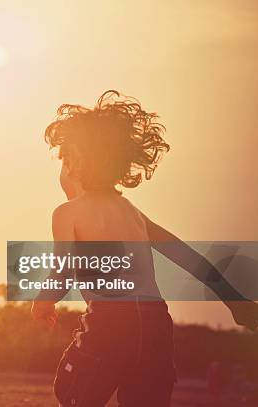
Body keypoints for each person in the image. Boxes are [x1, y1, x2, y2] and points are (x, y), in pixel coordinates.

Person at [31, 90, 258, 407]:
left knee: (71, 390)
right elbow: (187, 257)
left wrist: (44, 301)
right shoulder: (133, 214)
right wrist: (235, 300)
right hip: (155, 329)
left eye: (64, 158)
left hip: (109, 325)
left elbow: (62, 272)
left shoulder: (67, 212)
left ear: (76, 163)